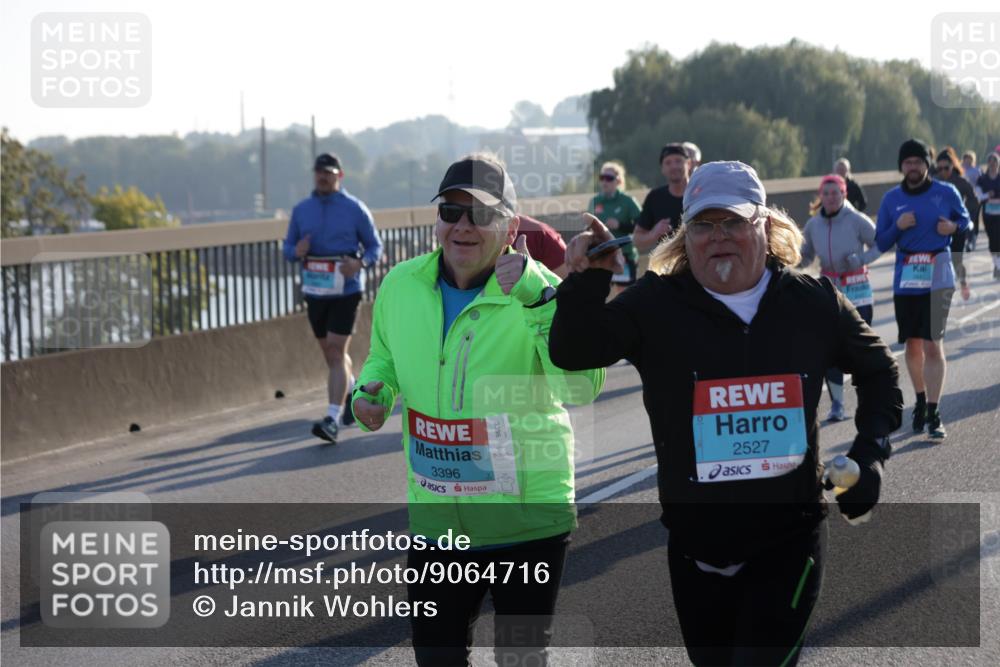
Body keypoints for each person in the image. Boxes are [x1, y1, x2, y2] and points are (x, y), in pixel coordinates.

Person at [549, 160, 902, 667]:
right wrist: (587, 281)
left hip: (788, 542)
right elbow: (573, 351)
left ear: (765, 224)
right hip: (695, 549)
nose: (718, 238)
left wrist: (869, 458)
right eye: (703, 225)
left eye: (734, 222)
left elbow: (881, 374)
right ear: (684, 234)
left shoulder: (813, 304)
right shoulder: (656, 303)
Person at [351, 152, 605, 666]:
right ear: (437, 219)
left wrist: (536, 298)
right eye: (451, 211)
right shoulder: (401, 284)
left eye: (481, 213)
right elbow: (383, 355)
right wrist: (371, 391)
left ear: (511, 226)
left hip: (527, 520)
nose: (463, 226)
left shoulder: (541, 291)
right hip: (438, 515)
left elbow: (581, 386)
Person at [283, 153, 383, 444]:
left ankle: (331, 420)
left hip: (346, 289)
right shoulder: (302, 210)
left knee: (337, 350)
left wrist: (360, 263)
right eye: (319, 173)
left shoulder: (355, 209)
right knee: (330, 353)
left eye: (328, 173)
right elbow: (287, 249)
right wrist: (296, 250)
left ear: (340, 175)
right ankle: (352, 390)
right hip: (315, 291)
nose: (323, 177)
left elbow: (375, 247)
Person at [875, 139, 970, 440]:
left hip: (939, 273)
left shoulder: (946, 192)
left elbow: (965, 220)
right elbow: (881, 242)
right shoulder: (891, 200)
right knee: (912, 345)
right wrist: (899, 226)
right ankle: (918, 399)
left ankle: (934, 411)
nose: (913, 166)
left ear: (927, 165)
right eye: (908, 162)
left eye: (918, 161)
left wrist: (953, 229)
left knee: (933, 343)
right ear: (901, 166)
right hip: (906, 278)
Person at [800, 174, 882, 421]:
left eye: (836, 193)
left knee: (860, 348)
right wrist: (791, 264)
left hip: (858, 288)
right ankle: (837, 404)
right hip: (830, 289)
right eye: (826, 193)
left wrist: (862, 260)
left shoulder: (857, 220)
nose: (831, 197)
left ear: (845, 194)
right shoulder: (813, 224)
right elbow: (806, 255)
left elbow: (880, 244)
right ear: (820, 197)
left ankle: (870, 400)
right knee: (830, 350)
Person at [588, 161, 642, 294]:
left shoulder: (628, 201)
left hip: (624, 256)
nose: (605, 182)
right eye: (602, 178)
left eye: (609, 178)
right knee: (597, 294)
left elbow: (642, 226)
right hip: (600, 256)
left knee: (625, 294)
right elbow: (587, 227)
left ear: (618, 181)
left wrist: (620, 225)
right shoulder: (594, 201)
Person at [934, 147, 977, 300]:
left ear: (953, 166)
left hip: (957, 227)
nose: (943, 171)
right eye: (939, 168)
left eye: (946, 168)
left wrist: (967, 217)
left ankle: (963, 283)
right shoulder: (933, 182)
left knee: (956, 259)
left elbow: (973, 201)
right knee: (938, 259)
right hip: (938, 228)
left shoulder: (961, 182)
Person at [634, 143, 689, 254]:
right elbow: (637, 240)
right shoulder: (655, 197)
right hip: (668, 266)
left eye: (678, 161)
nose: (674, 166)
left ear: (689, 163)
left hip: (702, 266)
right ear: (662, 169)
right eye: (668, 163)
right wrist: (654, 234)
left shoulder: (701, 193)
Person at [976, 152, 1000, 279]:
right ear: (988, 164)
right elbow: (979, 196)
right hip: (988, 214)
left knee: (999, 239)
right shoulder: (982, 179)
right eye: (990, 162)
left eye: (995, 161)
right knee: (992, 240)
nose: (992, 164)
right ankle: (997, 264)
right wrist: (988, 195)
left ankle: (998, 267)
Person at [961, 150, 984, 250]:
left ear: (973, 160)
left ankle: (972, 240)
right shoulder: (960, 169)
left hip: (974, 198)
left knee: (973, 219)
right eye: (966, 159)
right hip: (963, 198)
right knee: (966, 219)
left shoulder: (977, 170)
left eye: (970, 159)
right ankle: (968, 239)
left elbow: (981, 184)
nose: (968, 161)